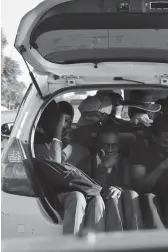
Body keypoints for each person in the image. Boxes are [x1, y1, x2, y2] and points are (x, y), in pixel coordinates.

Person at [34, 100, 99, 235]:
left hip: (79, 188)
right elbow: (55, 163)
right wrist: (57, 134)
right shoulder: (41, 146)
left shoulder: (80, 150)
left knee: (97, 199)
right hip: (54, 194)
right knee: (77, 197)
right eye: (62, 121)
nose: (66, 125)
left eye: (69, 121)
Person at [82, 123, 143, 232]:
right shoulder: (90, 162)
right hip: (97, 202)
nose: (110, 149)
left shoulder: (125, 162)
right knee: (111, 197)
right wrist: (104, 167)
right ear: (99, 145)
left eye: (114, 145)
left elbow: (129, 185)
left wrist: (119, 189)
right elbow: (92, 189)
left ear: (119, 146)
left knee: (121, 195)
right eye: (106, 145)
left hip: (121, 203)